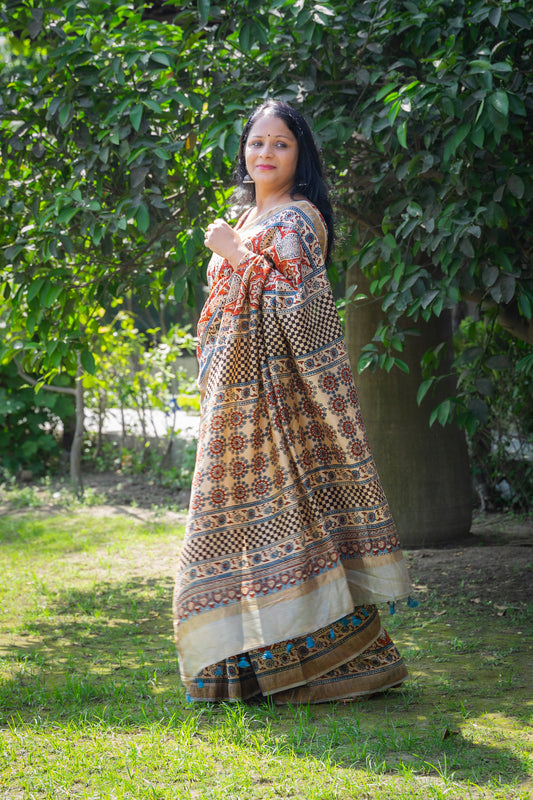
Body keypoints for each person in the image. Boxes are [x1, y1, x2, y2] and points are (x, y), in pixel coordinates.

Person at [173, 100, 413, 704]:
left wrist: (234, 254)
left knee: (289, 516)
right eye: (256, 143)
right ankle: (248, 668)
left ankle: (335, 663)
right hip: (233, 397)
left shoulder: (299, 220)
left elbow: (302, 309)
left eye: (280, 144)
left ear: (300, 155)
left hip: (277, 403)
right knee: (239, 528)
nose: (265, 154)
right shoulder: (249, 215)